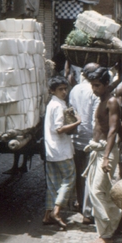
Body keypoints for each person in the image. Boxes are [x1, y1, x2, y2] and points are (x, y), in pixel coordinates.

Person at [83, 67, 122, 243]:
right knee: (100, 190)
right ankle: (114, 223)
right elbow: (120, 126)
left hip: (105, 151)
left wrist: (107, 157)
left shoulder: (112, 101)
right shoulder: (102, 101)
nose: (94, 89)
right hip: (98, 150)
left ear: (107, 84)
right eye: (92, 85)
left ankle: (107, 231)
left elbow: (114, 129)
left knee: (97, 191)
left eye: (97, 85)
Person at [43, 75, 82, 230]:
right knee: (69, 178)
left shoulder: (52, 104)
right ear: (53, 91)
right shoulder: (58, 105)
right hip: (61, 150)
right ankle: (57, 211)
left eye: (65, 89)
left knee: (53, 183)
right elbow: (59, 129)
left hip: (51, 149)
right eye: (60, 89)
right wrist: (77, 121)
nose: (64, 92)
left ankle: (47, 215)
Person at [69, 62, 100, 224]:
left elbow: (71, 112)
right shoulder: (95, 91)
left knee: (79, 174)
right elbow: (95, 119)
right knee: (89, 176)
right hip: (90, 138)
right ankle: (87, 212)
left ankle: (80, 203)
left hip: (76, 137)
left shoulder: (74, 90)